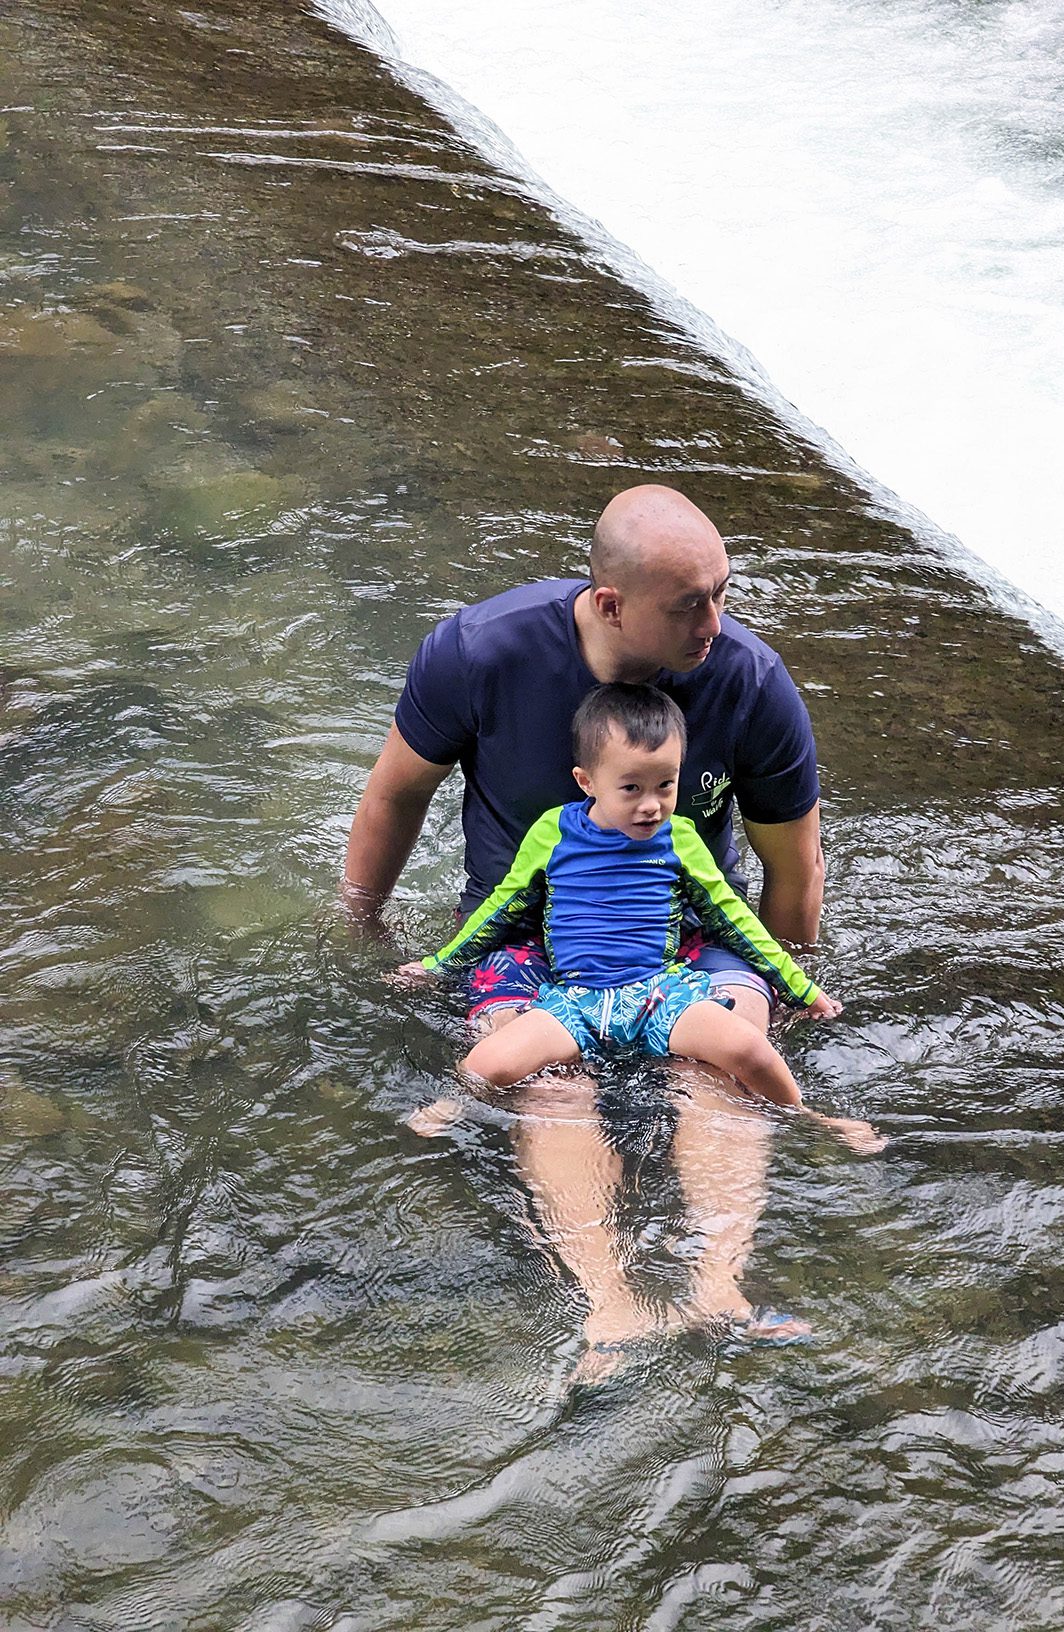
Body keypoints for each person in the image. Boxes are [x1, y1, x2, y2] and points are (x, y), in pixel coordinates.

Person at [345, 484, 860, 1365]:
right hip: (520, 936)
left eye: (722, 592)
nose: (715, 622)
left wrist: (788, 993)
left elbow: (790, 868)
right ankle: (609, 1306)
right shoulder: (480, 652)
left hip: (683, 930)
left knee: (724, 1062)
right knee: (549, 1082)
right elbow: (394, 795)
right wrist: (361, 929)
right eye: (689, 605)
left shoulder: (748, 681)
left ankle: (716, 1290)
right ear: (612, 604)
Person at [401, 683, 880, 1154]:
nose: (650, 804)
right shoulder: (554, 834)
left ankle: (812, 1118)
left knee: (751, 1050)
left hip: (659, 994)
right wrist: (437, 965)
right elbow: (502, 910)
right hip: (575, 1001)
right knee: (487, 1061)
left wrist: (801, 989)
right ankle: (456, 1101)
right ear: (587, 781)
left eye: (665, 785)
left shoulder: (679, 839)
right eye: (631, 788)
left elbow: (733, 920)